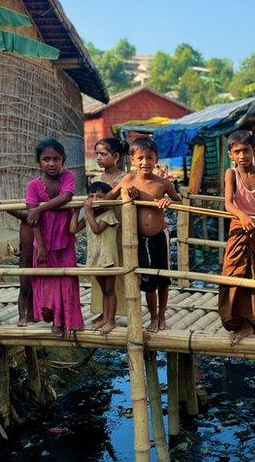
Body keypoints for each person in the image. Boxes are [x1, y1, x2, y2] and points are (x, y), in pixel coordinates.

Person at [105, 137, 180, 332]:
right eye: (140, 158)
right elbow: (107, 197)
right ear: (132, 160)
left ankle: (162, 317)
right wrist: (121, 187)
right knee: (147, 280)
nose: (145, 162)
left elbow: (180, 202)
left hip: (159, 237)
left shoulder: (162, 183)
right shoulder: (128, 180)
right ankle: (153, 317)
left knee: (163, 278)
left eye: (149, 158)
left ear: (156, 159)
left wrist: (169, 202)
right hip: (139, 239)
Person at [219, 129, 255, 344]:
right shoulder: (231, 174)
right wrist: (242, 216)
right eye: (237, 152)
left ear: (254, 150)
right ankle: (240, 323)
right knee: (234, 273)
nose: (242, 156)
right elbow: (228, 203)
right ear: (230, 155)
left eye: (246, 150)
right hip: (238, 229)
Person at [26, 139, 82, 335]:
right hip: (43, 242)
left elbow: (66, 196)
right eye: (46, 159)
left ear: (63, 160)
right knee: (47, 282)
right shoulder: (33, 185)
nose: (51, 163)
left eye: (56, 159)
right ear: (39, 162)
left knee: (66, 280)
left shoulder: (67, 176)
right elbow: (32, 219)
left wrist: (40, 208)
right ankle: (53, 319)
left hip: (64, 239)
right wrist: (40, 245)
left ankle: (65, 322)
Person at [71, 182, 120, 334]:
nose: (94, 199)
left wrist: (88, 212)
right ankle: (105, 318)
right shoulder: (89, 216)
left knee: (110, 290)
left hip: (108, 259)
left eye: (99, 196)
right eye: (91, 196)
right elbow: (73, 229)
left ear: (107, 198)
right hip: (95, 259)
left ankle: (111, 321)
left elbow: (97, 229)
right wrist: (76, 211)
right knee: (104, 290)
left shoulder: (108, 215)